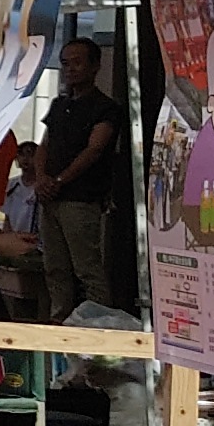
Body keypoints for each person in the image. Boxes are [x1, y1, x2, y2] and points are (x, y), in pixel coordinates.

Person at [36, 30, 124, 314]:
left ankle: (98, 322)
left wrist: (59, 180)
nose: (70, 69)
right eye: (65, 63)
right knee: (54, 266)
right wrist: (41, 179)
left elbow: (94, 150)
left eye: (77, 62)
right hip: (50, 197)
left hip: (80, 198)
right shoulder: (59, 104)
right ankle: (59, 319)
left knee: (86, 267)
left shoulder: (105, 108)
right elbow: (44, 144)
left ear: (95, 66)